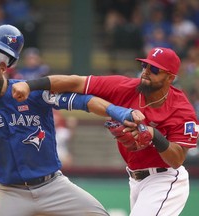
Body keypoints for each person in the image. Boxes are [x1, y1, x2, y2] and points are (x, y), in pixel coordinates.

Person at [0, 25, 145, 216]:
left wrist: (120, 113)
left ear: (2, 68)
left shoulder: (29, 91)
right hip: (9, 192)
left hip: (52, 186)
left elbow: (83, 102)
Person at [12, 47, 199, 216]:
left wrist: (154, 135)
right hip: (136, 179)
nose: (146, 72)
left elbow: (177, 160)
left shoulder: (181, 110)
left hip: (165, 179)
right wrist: (30, 85)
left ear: (170, 77)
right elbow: (76, 82)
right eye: (145, 66)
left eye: (155, 69)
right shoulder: (125, 88)